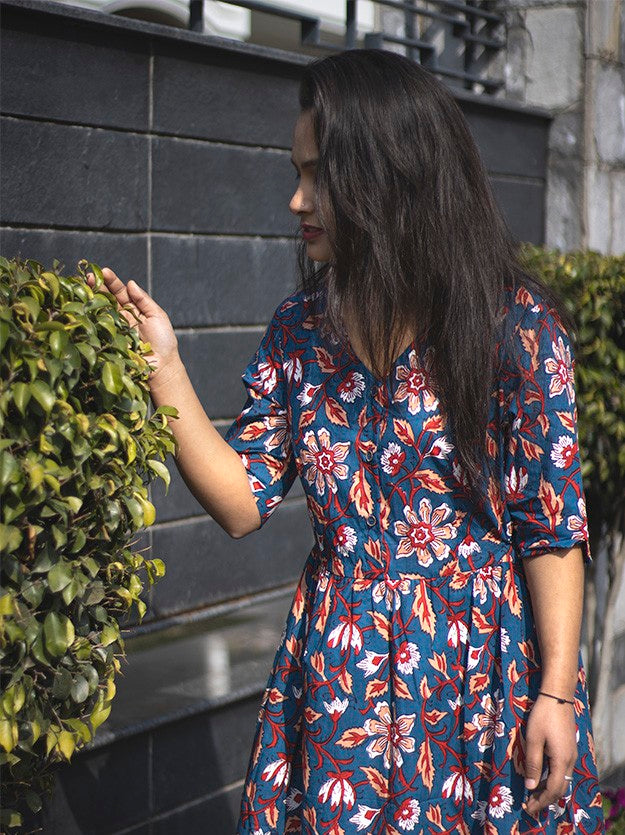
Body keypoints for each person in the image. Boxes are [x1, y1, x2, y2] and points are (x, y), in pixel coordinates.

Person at [87, 49, 604, 834]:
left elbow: (550, 525)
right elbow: (238, 501)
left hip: (475, 682)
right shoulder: (299, 331)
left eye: (318, 174)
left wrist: (556, 693)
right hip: (339, 684)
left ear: (388, 175)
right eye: (296, 171)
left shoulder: (513, 327)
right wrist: (165, 368)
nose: (297, 198)